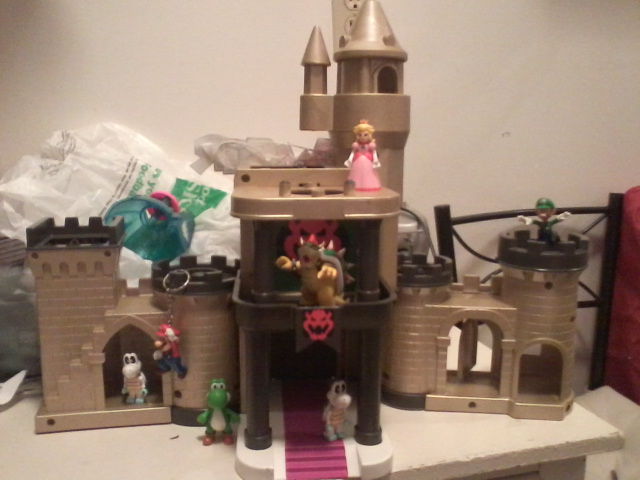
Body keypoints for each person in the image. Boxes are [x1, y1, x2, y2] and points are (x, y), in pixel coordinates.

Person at [344, 120, 381, 191]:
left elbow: (374, 153)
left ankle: (369, 184)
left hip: (368, 161)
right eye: (360, 135)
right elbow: (353, 153)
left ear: (369, 135)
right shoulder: (356, 145)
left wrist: (375, 160)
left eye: (365, 135)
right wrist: (349, 160)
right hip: (357, 160)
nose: (362, 137)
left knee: (368, 173)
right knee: (356, 174)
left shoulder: (371, 145)